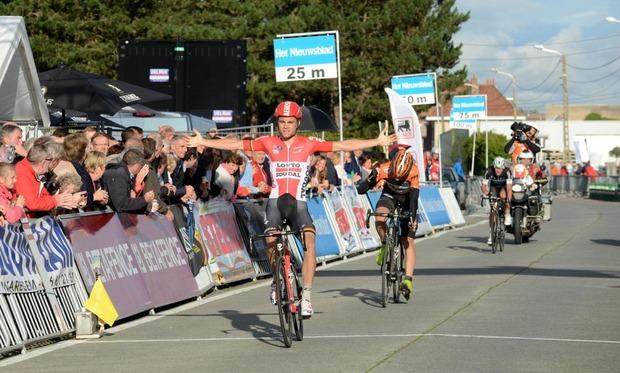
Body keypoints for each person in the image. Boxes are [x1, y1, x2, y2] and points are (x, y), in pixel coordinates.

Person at [186, 100, 395, 317]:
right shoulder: (267, 142)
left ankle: (306, 296)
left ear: (298, 123)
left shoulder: (308, 143)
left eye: (290, 122)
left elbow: (342, 145)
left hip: (298, 204)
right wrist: (204, 141)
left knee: (310, 242)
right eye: (282, 122)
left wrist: (376, 141)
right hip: (276, 202)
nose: (286, 126)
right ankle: (277, 280)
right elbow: (235, 145)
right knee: (270, 241)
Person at [357, 143, 419, 300]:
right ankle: (385, 243)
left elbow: (413, 200)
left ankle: (408, 280)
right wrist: (370, 178)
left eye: (401, 177)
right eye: (395, 176)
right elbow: (361, 190)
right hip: (389, 195)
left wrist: (412, 217)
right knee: (379, 216)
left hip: (406, 199)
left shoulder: (414, 171)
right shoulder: (384, 168)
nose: (397, 178)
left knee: (408, 241)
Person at [101, 148, 155, 213]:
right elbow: (121, 205)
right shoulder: (118, 175)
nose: (141, 168)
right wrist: (144, 200)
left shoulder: (125, 174)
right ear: (137, 164)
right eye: (141, 165)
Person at [481, 157, 513, 245]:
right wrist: (485, 192)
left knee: (504, 196)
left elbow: (509, 188)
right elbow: (483, 186)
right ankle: (491, 234)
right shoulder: (489, 171)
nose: (498, 170)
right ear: (494, 167)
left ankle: (507, 213)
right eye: (496, 168)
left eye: (499, 168)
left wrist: (508, 201)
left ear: (503, 168)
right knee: (493, 209)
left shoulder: (507, 172)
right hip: (493, 187)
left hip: (504, 187)